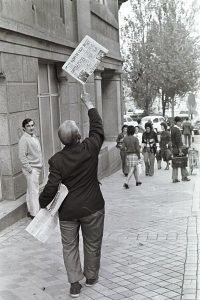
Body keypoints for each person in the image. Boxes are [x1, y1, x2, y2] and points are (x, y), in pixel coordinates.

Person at [39, 92, 105, 298]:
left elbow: (51, 187)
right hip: (93, 207)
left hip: (67, 211)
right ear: (78, 136)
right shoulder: (90, 148)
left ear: (62, 140)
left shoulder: (56, 160)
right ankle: (91, 276)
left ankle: (75, 284)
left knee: (69, 247)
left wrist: (42, 204)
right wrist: (90, 104)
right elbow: (97, 128)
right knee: (92, 242)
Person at [18, 119, 43, 219]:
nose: (31, 127)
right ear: (24, 128)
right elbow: (21, 156)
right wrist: (30, 170)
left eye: (32, 125)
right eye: (28, 126)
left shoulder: (33, 136)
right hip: (32, 169)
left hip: (36, 167)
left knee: (31, 190)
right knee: (34, 192)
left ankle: (30, 210)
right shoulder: (24, 139)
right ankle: (35, 215)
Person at [171, 116, 190, 183]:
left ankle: (174, 178)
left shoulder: (172, 128)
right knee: (182, 162)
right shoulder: (177, 130)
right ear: (176, 122)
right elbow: (178, 141)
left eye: (180, 122)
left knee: (175, 163)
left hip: (174, 148)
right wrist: (180, 150)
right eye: (179, 121)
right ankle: (184, 177)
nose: (180, 123)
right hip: (178, 148)